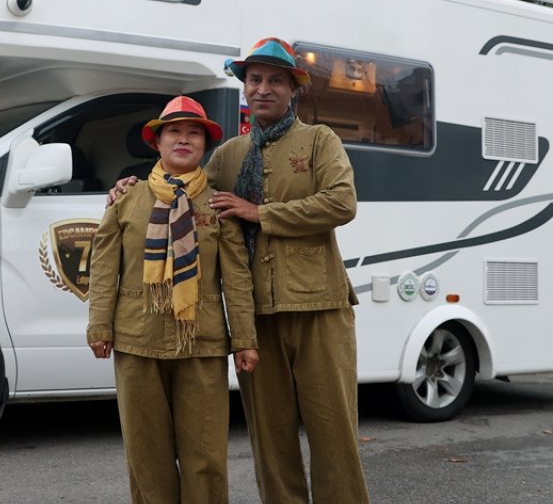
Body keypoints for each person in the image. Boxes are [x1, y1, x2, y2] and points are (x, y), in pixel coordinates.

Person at [109, 38, 369, 503]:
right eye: (255, 80)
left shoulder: (318, 140)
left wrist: (260, 213)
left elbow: (341, 202)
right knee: (270, 443)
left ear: (293, 89)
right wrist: (128, 186)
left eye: (275, 80)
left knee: (334, 436)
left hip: (319, 306)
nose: (263, 88)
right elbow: (183, 186)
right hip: (257, 318)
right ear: (244, 87)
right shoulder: (226, 155)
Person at [87, 95, 259, 504]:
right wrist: (99, 326)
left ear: (205, 145)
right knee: (148, 456)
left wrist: (245, 339)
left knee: (206, 457)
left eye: (194, 133)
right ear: (157, 143)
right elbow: (103, 266)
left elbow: (235, 277)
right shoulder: (127, 199)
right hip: (136, 338)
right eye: (174, 132)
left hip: (202, 341)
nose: (184, 140)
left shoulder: (218, 204)